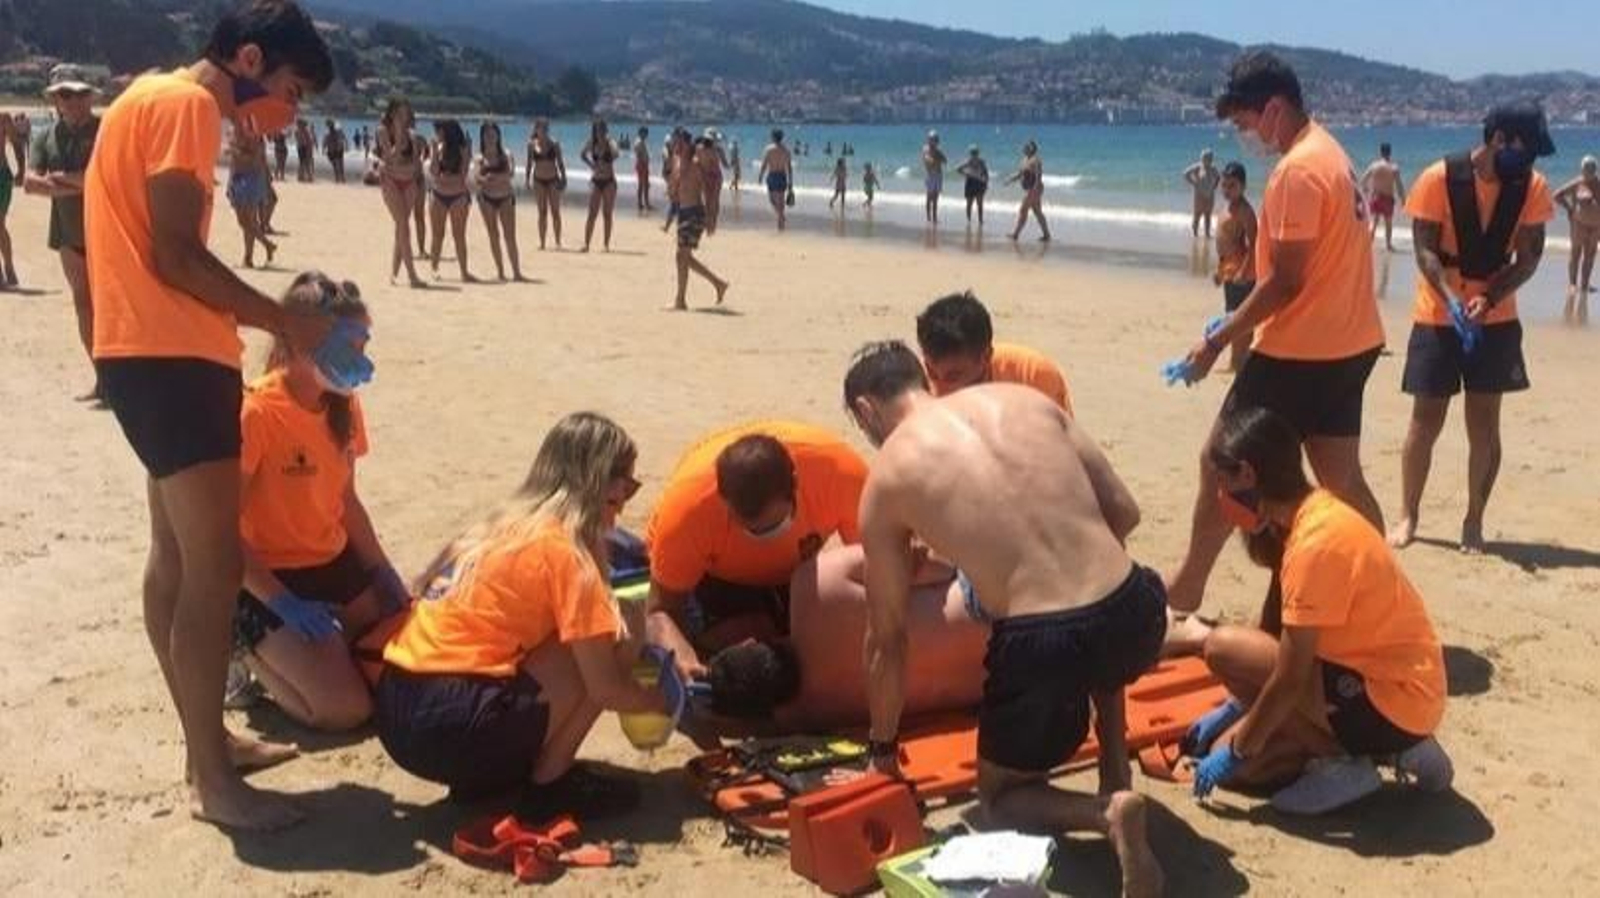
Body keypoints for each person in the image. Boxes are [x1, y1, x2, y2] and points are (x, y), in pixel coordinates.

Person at [84, 0, 335, 831]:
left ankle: (208, 747)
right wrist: (278, 319)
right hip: (174, 359)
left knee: (173, 559)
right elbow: (176, 254)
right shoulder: (190, 106)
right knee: (213, 571)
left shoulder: (144, 96)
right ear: (249, 60)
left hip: (137, 351)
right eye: (292, 92)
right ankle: (216, 786)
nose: (289, 112)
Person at [842, 341, 1164, 898]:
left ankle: (1106, 811)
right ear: (922, 377)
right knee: (1095, 623)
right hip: (1137, 610)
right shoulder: (1025, 400)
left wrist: (883, 754)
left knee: (997, 799)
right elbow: (1124, 512)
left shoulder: (887, 479)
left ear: (867, 410)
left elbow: (887, 638)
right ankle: (1115, 765)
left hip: (1046, 645)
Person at [1166, 51, 1386, 614]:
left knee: (1222, 459)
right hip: (1351, 342)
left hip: (1300, 351)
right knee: (1342, 480)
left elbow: (1286, 282)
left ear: (1273, 109)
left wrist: (1217, 340)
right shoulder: (1332, 153)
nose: (1245, 136)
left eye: (1244, 123)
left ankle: (1187, 586)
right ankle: (1378, 587)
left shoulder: (1298, 171)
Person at [377, 412, 668, 818]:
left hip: (394, 711)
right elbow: (605, 690)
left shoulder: (495, 526)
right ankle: (550, 782)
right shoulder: (567, 552)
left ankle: (489, 777)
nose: (625, 496)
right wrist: (658, 700)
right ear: (601, 484)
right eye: (624, 484)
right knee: (603, 642)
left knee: (563, 636)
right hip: (454, 726)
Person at [1188, 407, 1451, 815]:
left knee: (1222, 649)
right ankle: (1393, 749)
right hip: (1396, 687)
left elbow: (1289, 677)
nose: (1221, 497)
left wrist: (1237, 750)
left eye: (1223, 484)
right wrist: (1238, 704)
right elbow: (1274, 630)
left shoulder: (1314, 545)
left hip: (1390, 698)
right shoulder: (1308, 516)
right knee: (1247, 758)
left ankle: (1346, 760)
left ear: (1248, 474)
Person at [235, 273, 408, 730]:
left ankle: (306, 654)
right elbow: (222, 529)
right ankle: (243, 653)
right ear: (304, 340)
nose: (361, 357)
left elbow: (345, 500)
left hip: (331, 561)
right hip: (269, 576)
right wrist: (280, 601)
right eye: (352, 345)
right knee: (346, 709)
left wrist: (381, 571)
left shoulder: (342, 405)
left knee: (393, 671)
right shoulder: (257, 412)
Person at [1388, 102, 1555, 552]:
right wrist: (1451, 300)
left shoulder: (1532, 187)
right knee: (1425, 420)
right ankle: (1408, 515)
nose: (1530, 161)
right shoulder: (1437, 178)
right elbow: (1424, 249)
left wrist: (1490, 297)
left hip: (1496, 319)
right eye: (1526, 150)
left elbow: (1530, 258)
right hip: (1438, 314)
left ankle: (1473, 519)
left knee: (1483, 424)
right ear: (1499, 140)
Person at [644, 421, 868, 682]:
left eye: (776, 525)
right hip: (717, 573)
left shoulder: (841, 475)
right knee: (753, 652)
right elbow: (660, 610)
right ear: (723, 501)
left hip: (798, 568)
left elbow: (879, 564)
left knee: (832, 631)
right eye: (751, 529)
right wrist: (682, 656)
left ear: (796, 483)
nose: (767, 538)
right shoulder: (687, 514)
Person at [695, 544, 988, 734]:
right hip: (992, 604)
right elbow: (929, 562)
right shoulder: (815, 587)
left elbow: (747, 724)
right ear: (748, 642)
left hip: (1000, 677)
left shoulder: (813, 716)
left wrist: (715, 704)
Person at [23, 65, 100, 401]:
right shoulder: (45, 136)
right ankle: (102, 379)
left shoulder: (105, 130)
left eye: (80, 93)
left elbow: (102, 177)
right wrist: (79, 183)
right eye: (65, 94)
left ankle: (121, 381)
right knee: (84, 306)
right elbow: (30, 183)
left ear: (89, 97)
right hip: (68, 235)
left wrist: (58, 181)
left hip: (107, 232)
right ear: (55, 100)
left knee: (113, 308)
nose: (73, 100)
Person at [916, 291, 1072, 413]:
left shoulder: (1031, 374)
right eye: (933, 374)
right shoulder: (917, 380)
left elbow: (1060, 439)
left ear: (985, 357)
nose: (942, 390)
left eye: (953, 376)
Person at [666, 132, 730, 310]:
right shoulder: (677, 162)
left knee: (682, 256)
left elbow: (710, 189)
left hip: (695, 213)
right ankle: (718, 283)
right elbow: (674, 190)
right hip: (683, 212)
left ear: (688, 145)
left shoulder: (697, 164)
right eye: (675, 143)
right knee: (683, 257)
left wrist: (712, 216)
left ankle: (680, 300)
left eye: (680, 143)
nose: (677, 146)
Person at [374, 98, 425, 288]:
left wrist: (414, 173)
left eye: (406, 113)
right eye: (399, 113)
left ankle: (394, 273)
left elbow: (416, 162)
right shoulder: (383, 131)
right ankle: (412, 276)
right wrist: (397, 133)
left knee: (401, 227)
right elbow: (390, 159)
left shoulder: (412, 135)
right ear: (392, 113)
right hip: (391, 182)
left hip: (409, 182)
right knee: (403, 225)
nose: (403, 117)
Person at [1213, 161, 1257, 372]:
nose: (1227, 190)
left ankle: (1239, 363)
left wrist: (1244, 271)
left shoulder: (1244, 211)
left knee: (1240, 320)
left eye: (1232, 186)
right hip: (1229, 270)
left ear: (1243, 186)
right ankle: (1237, 361)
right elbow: (1225, 243)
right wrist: (1220, 271)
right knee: (1231, 316)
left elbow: (1255, 243)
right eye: (1224, 185)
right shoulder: (1227, 208)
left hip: (1242, 274)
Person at [474, 121, 525, 282]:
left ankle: (516, 272)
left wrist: (492, 178)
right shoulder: (479, 157)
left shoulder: (506, 154)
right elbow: (477, 177)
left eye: (493, 133)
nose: (490, 137)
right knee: (493, 235)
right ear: (482, 137)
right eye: (486, 134)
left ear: (498, 135)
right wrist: (488, 179)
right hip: (486, 199)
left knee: (510, 236)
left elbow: (510, 174)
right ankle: (500, 271)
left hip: (505, 197)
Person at [427, 119, 476, 282]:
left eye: (439, 131)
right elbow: (434, 171)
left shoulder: (462, 149)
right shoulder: (438, 147)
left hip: (458, 196)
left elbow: (463, 175)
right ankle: (434, 269)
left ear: (447, 132)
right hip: (438, 194)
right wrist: (434, 151)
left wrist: (445, 177)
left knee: (459, 235)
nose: (436, 134)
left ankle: (464, 271)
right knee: (437, 235)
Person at [1553, 155, 1600, 311]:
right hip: (1579, 225)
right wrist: (1569, 209)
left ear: (1596, 170)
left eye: (1592, 169)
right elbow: (1557, 195)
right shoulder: (1577, 183)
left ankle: (1585, 284)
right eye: (1587, 169)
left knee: (1590, 256)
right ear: (1582, 169)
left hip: (1596, 228)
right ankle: (1573, 284)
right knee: (1576, 254)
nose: (1589, 171)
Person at [225, 127, 276, 268]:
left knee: (249, 221)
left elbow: (255, 158)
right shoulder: (235, 131)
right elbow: (234, 162)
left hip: (250, 179)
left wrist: (234, 151)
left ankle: (249, 258)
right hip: (237, 178)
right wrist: (230, 182)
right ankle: (265, 246)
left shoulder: (254, 133)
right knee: (244, 222)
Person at [523, 117, 566, 251]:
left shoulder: (554, 144)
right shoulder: (531, 145)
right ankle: (542, 242)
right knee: (542, 212)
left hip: (553, 179)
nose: (544, 130)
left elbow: (560, 162)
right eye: (542, 128)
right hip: (538, 180)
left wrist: (564, 178)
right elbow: (529, 163)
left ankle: (558, 241)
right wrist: (527, 180)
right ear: (536, 129)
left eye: (546, 128)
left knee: (555, 211)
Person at [581, 118, 620, 252]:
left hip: (609, 180)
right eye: (598, 129)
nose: (600, 132)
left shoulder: (610, 142)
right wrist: (591, 165)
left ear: (606, 130)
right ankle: (586, 244)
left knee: (607, 214)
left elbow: (616, 153)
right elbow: (582, 154)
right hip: (596, 180)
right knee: (592, 213)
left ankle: (606, 245)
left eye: (603, 129)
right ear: (595, 130)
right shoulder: (591, 142)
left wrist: (608, 153)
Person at [1361, 143, 1406, 252]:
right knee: (1388, 223)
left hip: (1375, 197)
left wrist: (1365, 189)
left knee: (1374, 222)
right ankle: (1388, 245)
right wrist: (1403, 199)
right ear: (1390, 153)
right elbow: (1399, 186)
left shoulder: (1374, 166)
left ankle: (1369, 244)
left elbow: (1363, 179)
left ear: (1380, 152)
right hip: (1387, 199)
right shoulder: (1393, 167)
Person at [1005, 141, 1051, 241]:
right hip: (1030, 189)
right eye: (1025, 146)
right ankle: (1047, 235)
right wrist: (1010, 180)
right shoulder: (1024, 160)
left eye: (1027, 147)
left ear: (1032, 149)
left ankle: (1015, 234)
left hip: (1034, 189)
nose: (1024, 148)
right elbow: (1020, 174)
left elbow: (1039, 174)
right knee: (1037, 212)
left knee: (1023, 209)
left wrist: (1035, 187)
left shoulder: (1035, 160)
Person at [757, 128, 793, 231]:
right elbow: (789, 167)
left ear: (773, 137)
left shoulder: (769, 149)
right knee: (780, 203)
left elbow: (764, 164)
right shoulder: (786, 150)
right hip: (782, 176)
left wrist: (760, 176)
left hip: (772, 175)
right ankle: (781, 218)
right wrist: (791, 181)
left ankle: (781, 223)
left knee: (772, 200)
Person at [1183, 149, 1223, 239]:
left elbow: (1218, 177)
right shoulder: (1198, 167)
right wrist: (1193, 182)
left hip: (1210, 195)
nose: (1208, 160)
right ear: (1202, 158)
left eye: (1210, 158)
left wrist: (1215, 186)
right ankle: (1195, 233)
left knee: (1208, 216)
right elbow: (1185, 173)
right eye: (1206, 158)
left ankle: (1207, 234)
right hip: (1199, 195)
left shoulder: (1213, 168)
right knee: (1197, 215)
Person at [0, 111, 18, 287]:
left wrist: (22, 168)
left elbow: (17, 143)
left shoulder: (3, 118)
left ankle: (9, 266)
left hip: (1, 177)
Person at [957, 145, 989, 226]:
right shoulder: (969, 161)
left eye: (975, 153)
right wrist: (967, 174)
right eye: (973, 153)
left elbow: (986, 174)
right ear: (970, 154)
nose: (974, 154)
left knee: (980, 203)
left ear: (978, 153)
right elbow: (958, 169)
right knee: (969, 203)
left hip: (979, 183)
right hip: (970, 183)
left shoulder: (982, 162)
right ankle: (968, 220)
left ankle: (980, 220)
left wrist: (986, 183)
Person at [702, 129, 726, 232]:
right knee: (714, 201)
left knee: (708, 201)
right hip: (716, 177)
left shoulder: (700, 148)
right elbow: (725, 164)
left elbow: (696, 161)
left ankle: (709, 224)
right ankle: (712, 224)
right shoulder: (719, 149)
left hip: (707, 176)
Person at [921, 130, 946, 225]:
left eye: (935, 140)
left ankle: (934, 218)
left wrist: (938, 157)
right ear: (929, 140)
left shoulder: (938, 150)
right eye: (932, 139)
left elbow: (945, 160)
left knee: (936, 199)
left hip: (938, 175)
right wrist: (936, 159)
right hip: (930, 175)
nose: (934, 141)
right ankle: (928, 217)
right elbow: (928, 160)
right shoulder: (926, 149)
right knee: (929, 197)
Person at [634, 125, 653, 211]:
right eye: (645, 133)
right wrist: (644, 164)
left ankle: (643, 203)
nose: (646, 135)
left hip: (642, 165)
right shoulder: (639, 142)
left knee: (644, 185)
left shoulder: (640, 141)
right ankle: (644, 203)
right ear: (641, 133)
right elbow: (639, 155)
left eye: (647, 134)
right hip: (642, 165)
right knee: (643, 185)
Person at [323, 118, 347, 184]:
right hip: (333, 150)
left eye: (330, 125)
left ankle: (340, 178)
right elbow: (325, 142)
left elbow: (343, 138)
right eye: (328, 125)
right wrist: (324, 148)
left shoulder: (337, 131)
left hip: (337, 150)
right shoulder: (328, 133)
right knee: (336, 164)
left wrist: (345, 144)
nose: (329, 127)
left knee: (339, 164)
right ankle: (339, 178)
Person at [294, 118, 315, 182]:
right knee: (305, 163)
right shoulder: (304, 131)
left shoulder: (298, 131)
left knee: (302, 162)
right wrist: (309, 148)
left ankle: (301, 176)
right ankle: (307, 177)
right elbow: (308, 141)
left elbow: (302, 140)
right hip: (304, 147)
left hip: (301, 147)